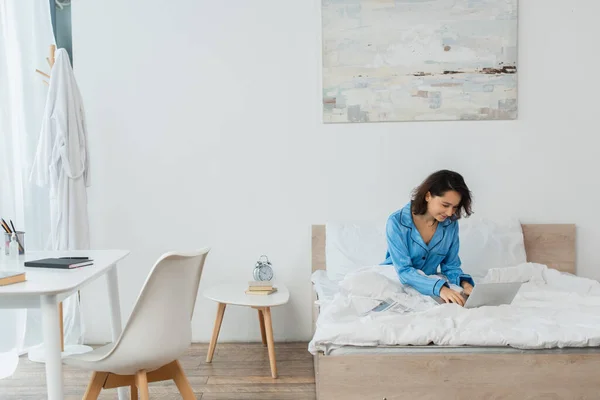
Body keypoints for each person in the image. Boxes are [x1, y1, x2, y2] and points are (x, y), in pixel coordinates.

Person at [381, 170, 475, 306]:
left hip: (430, 281)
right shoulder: (396, 222)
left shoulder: (450, 224)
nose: (450, 213)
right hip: (396, 280)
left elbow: (450, 266)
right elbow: (404, 270)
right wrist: (440, 288)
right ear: (428, 196)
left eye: (455, 207)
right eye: (445, 205)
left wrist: (465, 285)